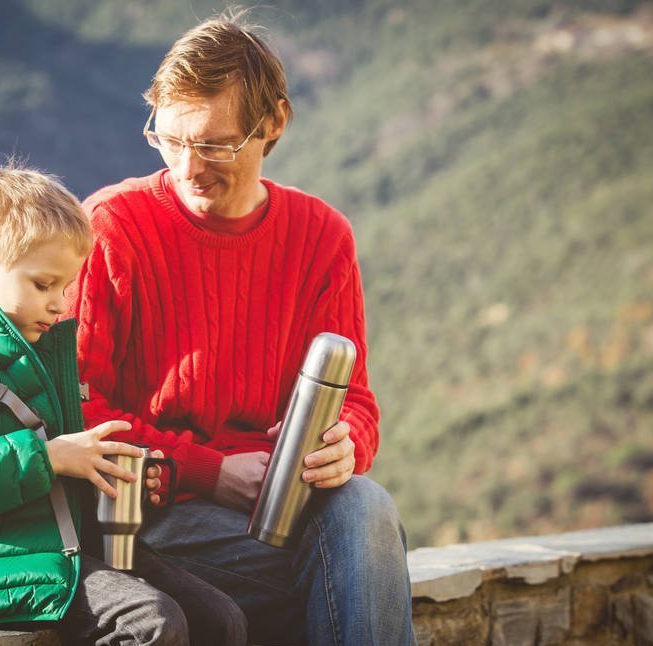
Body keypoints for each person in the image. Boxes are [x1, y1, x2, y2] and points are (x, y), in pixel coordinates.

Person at [66, 10, 416, 646]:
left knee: (365, 504)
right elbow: (80, 412)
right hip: (150, 522)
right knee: (358, 564)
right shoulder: (112, 228)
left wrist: (347, 446)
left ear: (274, 122)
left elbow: (356, 400)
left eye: (215, 144)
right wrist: (207, 473)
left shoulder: (321, 237)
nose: (189, 166)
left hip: (282, 514)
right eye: (171, 140)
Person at [0, 160, 247, 645]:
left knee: (220, 617)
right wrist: (50, 457)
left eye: (65, 286)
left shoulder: (25, 351)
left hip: (54, 542)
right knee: (151, 622)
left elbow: (49, 474)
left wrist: (107, 473)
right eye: (43, 284)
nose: (60, 304)